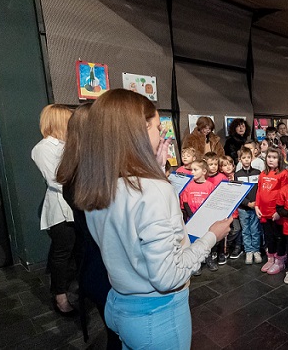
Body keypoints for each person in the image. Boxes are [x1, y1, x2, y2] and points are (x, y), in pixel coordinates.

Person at [72, 89, 231, 349]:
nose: (162, 135)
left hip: (119, 303)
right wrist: (211, 236)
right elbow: (168, 276)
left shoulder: (96, 184)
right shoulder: (154, 190)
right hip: (156, 315)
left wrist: (155, 171)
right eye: (158, 127)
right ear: (140, 131)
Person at [56, 103, 122, 348]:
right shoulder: (97, 179)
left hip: (91, 265)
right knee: (119, 338)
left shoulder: (73, 172)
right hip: (107, 270)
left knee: (113, 333)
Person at [31, 104, 76, 315]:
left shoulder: (68, 145)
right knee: (62, 253)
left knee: (73, 252)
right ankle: (60, 297)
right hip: (61, 210)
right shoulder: (43, 148)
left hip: (76, 205)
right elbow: (58, 180)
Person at [256, 147, 288, 275]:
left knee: (279, 237)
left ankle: (280, 260)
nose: (271, 160)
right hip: (264, 212)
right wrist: (257, 206)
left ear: (279, 159)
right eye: (269, 157)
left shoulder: (283, 174)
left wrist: (279, 212)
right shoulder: (263, 173)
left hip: (276, 213)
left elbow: (284, 193)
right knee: (269, 237)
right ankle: (271, 258)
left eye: (274, 158)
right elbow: (259, 191)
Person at [234, 147, 262, 265]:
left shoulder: (257, 173)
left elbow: (260, 190)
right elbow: (237, 192)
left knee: (255, 230)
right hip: (243, 208)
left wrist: (256, 203)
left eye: (248, 157)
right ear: (240, 160)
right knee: (246, 230)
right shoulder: (237, 174)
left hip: (255, 207)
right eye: (244, 158)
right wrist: (247, 203)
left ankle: (256, 250)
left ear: (252, 158)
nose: (246, 160)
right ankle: (248, 251)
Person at [220, 155, 242, 259]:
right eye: (225, 165)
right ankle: (226, 245)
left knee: (238, 228)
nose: (228, 167)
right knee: (232, 228)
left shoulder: (237, 175)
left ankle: (237, 246)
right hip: (227, 209)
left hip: (239, 207)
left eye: (230, 164)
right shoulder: (222, 178)